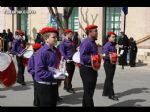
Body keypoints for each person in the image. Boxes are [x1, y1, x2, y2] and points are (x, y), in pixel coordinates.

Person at [34, 27, 63, 106]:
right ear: (46, 39)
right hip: (44, 86)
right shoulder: (42, 52)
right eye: (54, 37)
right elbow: (39, 72)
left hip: (53, 84)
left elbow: (56, 66)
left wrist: (61, 74)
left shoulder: (56, 50)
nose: (56, 39)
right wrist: (55, 75)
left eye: (56, 37)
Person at [79, 25, 100, 107]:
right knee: (88, 92)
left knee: (89, 92)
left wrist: (97, 57)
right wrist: (94, 58)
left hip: (92, 69)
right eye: (95, 31)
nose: (97, 32)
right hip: (87, 70)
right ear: (90, 32)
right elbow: (83, 56)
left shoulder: (93, 42)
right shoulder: (86, 42)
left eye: (97, 31)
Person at [102, 31, 119, 101]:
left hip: (112, 63)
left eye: (114, 37)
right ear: (108, 38)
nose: (114, 38)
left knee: (109, 78)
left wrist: (116, 54)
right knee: (109, 79)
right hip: (108, 64)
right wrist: (113, 55)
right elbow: (104, 56)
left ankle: (105, 92)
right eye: (112, 37)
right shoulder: (107, 45)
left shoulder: (113, 45)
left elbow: (113, 53)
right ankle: (111, 94)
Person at [59, 29, 76, 94]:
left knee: (70, 74)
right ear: (66, 34)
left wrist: (77, 49)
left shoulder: (71, 41)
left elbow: (73, 49)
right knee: (68, 74)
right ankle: (69, 87)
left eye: (72, 34)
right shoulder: (63, 42)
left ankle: (66, 85)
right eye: (70, 34)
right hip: (68, 60)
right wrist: (66, 58)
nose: (71, 35)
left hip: (73, 59)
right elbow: (61, 51)